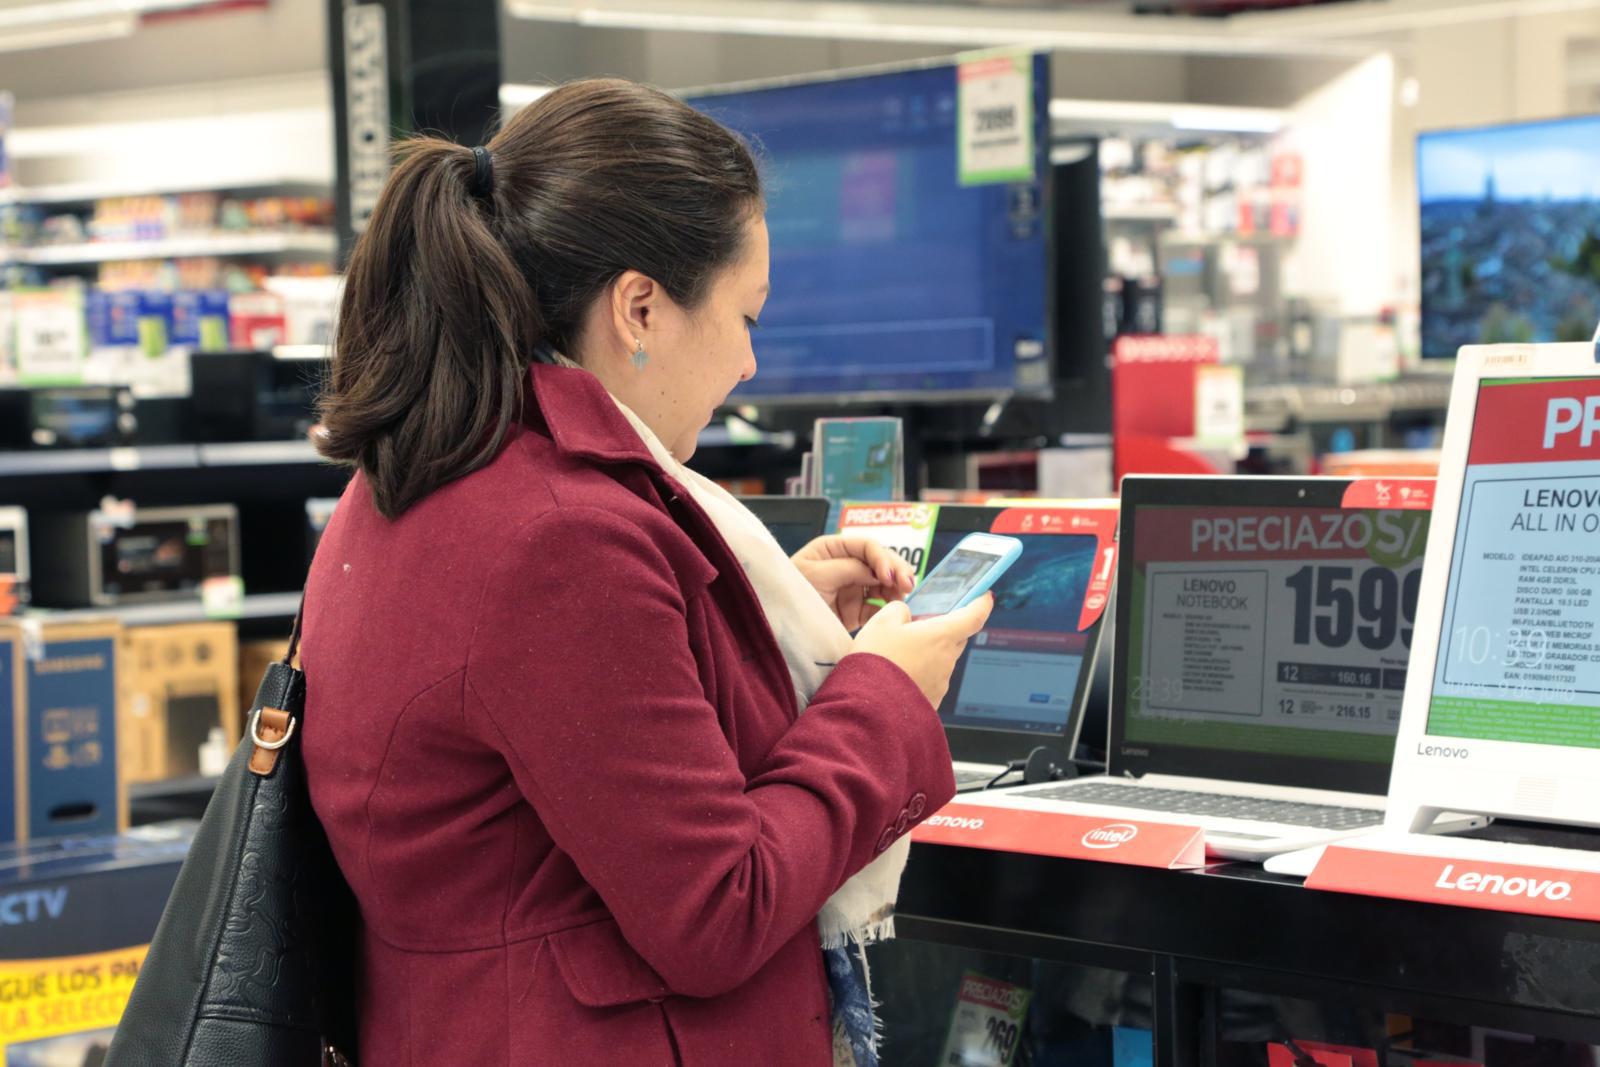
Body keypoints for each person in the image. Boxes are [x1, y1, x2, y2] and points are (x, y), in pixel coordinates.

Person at [301, 78, 992, 1066]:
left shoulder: (435, 472)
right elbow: (716, 905)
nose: (750, 363)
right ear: (639, 306)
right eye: (747, 316)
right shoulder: (564, 536)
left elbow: (553, 741)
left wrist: (747, 619)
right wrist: (883, 695)